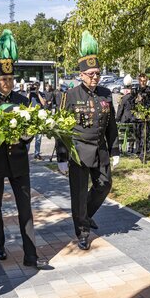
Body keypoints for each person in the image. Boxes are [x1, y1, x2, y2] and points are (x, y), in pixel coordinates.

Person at [0, 29, 48, 269]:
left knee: (25, 207)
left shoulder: (23, 101)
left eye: (11, 79)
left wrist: (25, 135)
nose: (7, 83)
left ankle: (30, 254)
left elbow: (30, 129)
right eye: (3, 79)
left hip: (18, 162)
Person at [60, 31, 120, 250]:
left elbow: (111, 124)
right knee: (78, 193)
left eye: (97, 73)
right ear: (81, 74)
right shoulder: (70, 95)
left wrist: (115, 151)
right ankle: (82, 231)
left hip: (100, 150)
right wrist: (61, 157)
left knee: (104, 185)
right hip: (78, 151)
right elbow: (61, 128)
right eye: (91, 74)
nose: (95, 77)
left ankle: (83, 215)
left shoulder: (105, 94)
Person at [131, 73, 150, 162]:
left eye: (144, 81)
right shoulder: (135, 90)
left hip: (145, 118)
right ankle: (138, 152)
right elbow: (130, 103)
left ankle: (143, 155)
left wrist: (149, 114)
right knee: (137, 136)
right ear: (138, 80)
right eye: (141, 81)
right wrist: (136, 100)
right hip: (136, 117)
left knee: (144, 136)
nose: (143, 82)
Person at [28, 82, 46, 160]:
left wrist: (38, 93)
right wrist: (29, 92)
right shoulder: (30, 94)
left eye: (36, 87)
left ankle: (37, 153)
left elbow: (44, 103)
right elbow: (25, 101)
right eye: (34, 87)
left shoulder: (41, 94)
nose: (35, 88)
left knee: (38, 137)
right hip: (30, 116)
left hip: (39, 117)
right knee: (28, 136)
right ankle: (25, 153)